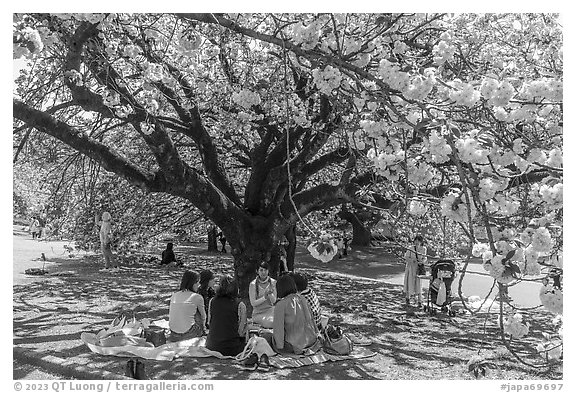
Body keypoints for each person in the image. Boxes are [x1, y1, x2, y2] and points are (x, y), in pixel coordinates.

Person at [272, 274, 319, 354]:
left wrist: (279, 347)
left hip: (295, 346)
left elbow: (278, 331)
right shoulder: (302, 298)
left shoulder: (280, 305)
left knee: (267, 337)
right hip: (312, 341)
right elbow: (311, 320)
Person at [205, 275, 247, 356]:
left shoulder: (212, 301)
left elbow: (210, 323)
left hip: (212, 346)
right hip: (232, 348)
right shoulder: (240, 305)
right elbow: (241, 332)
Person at [169, 270, 206, 340]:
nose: (199, 285)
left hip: (173, 334)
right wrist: (203, 328)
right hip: (188, 333)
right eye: (197, 282)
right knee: (198, 312)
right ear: (192, 283)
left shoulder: (174, 295)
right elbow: (203, 317)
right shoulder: (197, 297)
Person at [249, 262, 277, 328]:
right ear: (257, 271)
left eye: (265, 270)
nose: (263, 272)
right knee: (272, 323)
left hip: (271, 310)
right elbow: (253, 303)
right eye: (261, 270)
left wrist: (270, 294)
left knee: (282, 320)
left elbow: (274, 301)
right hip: (258, 313)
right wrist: (264, 297)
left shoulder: (273, 282)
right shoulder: (253, 284)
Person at [403, 235, 428, 307]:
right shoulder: (411, 248)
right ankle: (408, 298)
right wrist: (412, 260)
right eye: (416, 241)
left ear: (421, 242)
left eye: (418, 241)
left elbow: (424, 257)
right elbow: (406, 257)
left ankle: (420, 300)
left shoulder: (423, 249)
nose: (417, 242)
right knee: (409, 282)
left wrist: (422, 262)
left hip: (418, 268)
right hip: (411, 268)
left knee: (419, 283)